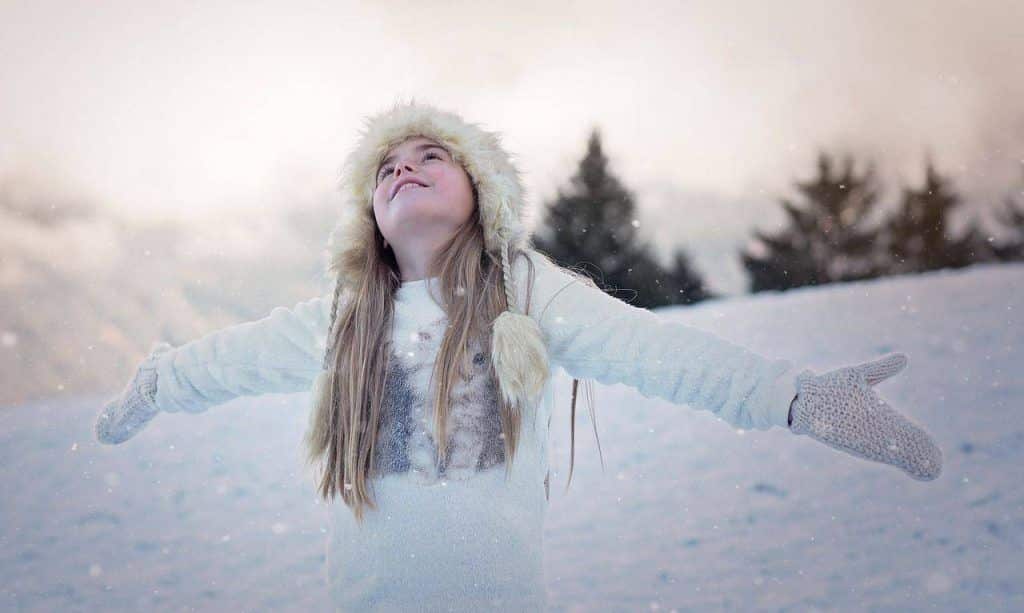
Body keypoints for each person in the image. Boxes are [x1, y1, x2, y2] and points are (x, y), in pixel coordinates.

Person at [94, 100, 943, 611]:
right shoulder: (346, 320)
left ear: (481, 195)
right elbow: (231, 359)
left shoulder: (527, 293)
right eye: (386, 166)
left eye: (432, 156)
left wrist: (793, 396)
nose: (405, 169)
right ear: (369, 214)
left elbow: (652, 350)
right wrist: (161, 378)